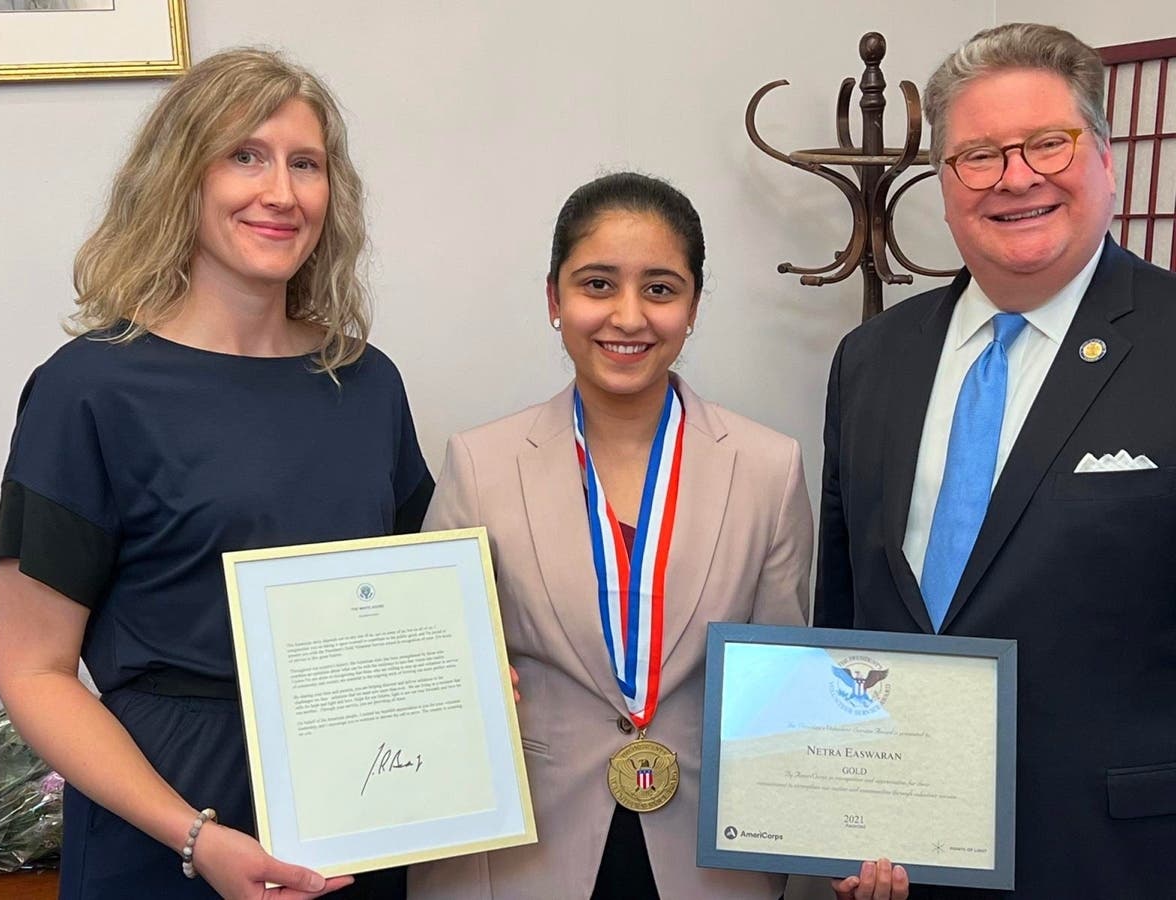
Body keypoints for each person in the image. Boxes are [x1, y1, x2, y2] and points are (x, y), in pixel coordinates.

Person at [0, 49, 432, 900]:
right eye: (245, 156)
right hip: (164, 819)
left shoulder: (368, 384)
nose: (281, 192)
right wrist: (195, 836)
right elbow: (34, 671)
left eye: (306, 164)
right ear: (180, 178)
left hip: (354, 808)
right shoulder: (88, 389)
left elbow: (397, 613)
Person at [409, 172, 908, 900]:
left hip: (707, 857)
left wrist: (847, 830)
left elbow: (779, 688)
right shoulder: (479, 463)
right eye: (598, 284)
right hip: (521, 855)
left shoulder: (768, 467)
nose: (629, 316)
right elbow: (434, 674)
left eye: (661, 288)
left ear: (694, 304)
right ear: (554, 299)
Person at [816, 22, 1176, 899]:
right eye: (977, 155)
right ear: (943, 185)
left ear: (1104, 155)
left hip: (1119, 859)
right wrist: (832, 810)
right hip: (902, 860)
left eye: (1048, 144)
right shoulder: (871, 360)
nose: (1016, 177)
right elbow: (845, 606)